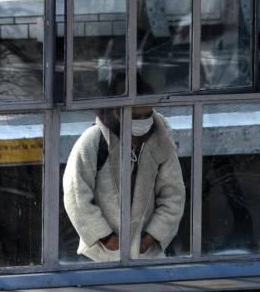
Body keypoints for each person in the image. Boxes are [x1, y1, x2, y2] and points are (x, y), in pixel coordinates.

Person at [62, 78, 186, 261]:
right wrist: (105, 237)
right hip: (100, 256)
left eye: (147, 115)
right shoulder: (93, 140)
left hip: (148, 256)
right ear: (116, 110)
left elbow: (173, 195)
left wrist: (150, 238)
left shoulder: (161, 141)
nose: (143, 122)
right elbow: (75, 193)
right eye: (135, 116)